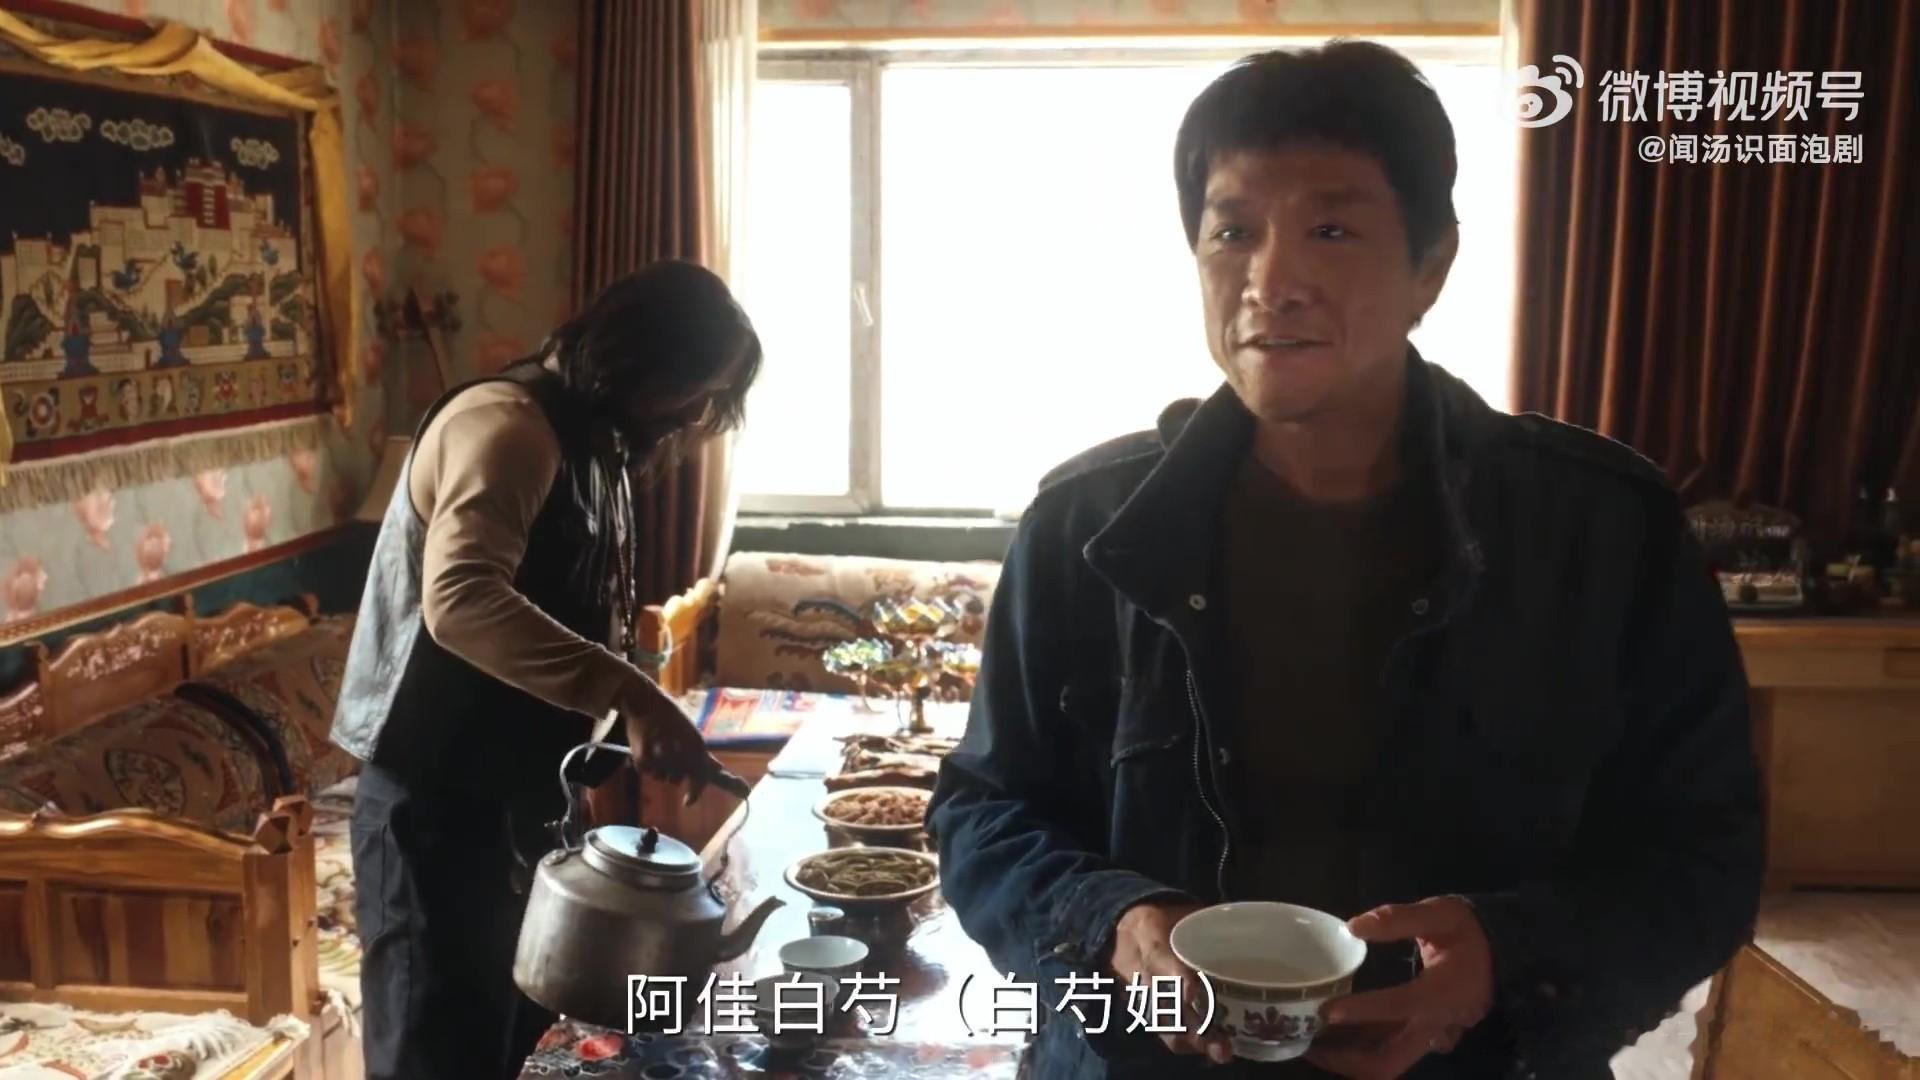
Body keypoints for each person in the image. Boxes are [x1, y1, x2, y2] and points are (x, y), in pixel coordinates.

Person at [927, 42, 1763, 1080]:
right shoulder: (1085, 526)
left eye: (1331, 229)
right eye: (1233, 231)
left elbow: (1706, 856)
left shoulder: (1603, 529)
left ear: (1431, 266)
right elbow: (983, 809)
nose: (1270, 283)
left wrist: (1508, 952)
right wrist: (1115, 920)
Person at [330, 259, 764, 1080]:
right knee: (436, 1050)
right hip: (434, 802)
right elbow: (461, 601)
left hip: (519, 798)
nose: (693, 417)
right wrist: (631, 693)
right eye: (691, 392)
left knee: (520, 1043)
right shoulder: (506, 427)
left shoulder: (593, 438)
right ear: (637, 359)